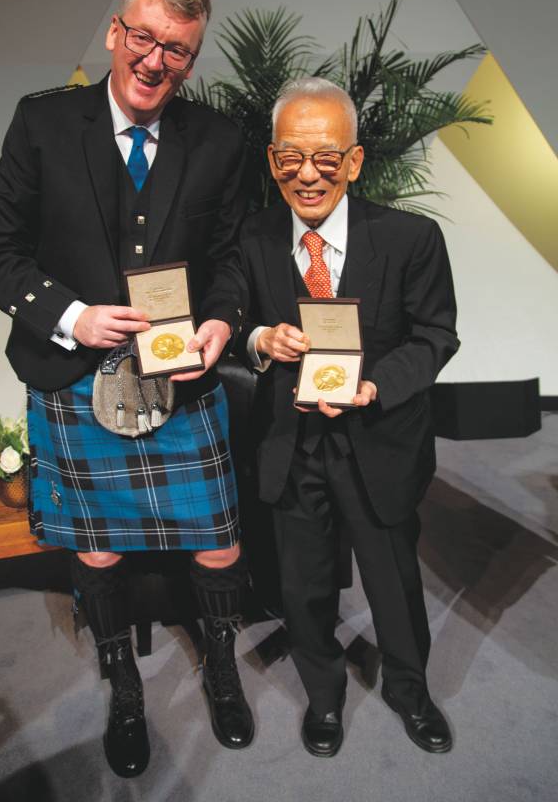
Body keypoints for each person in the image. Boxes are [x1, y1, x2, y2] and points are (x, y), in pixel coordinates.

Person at [0, 0, 254, 778]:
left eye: (177, 49)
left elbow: (234, 258)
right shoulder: (43, 124)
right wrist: (72, 317)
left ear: (192, 59)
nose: (155, 61)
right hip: (72, 378)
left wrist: (222, 320)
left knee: (217, 541)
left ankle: (222, 666)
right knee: (97, 550)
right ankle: (124, 683)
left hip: (182, 381)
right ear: (115, 32)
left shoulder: (220, 140)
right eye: (143, 38)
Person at [236, 77, 459, 758]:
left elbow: (435, 336)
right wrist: (260, 339)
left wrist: (374, 386)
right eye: (291, 157)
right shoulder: (252, 237)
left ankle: (410, 691)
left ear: (354, 161)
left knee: (393, 581)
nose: (307, 175)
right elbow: (232, 316)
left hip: (377, 439)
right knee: (303, 585)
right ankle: (324, 698)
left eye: (325, 157)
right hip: (291, 441)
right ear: (273, 159)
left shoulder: (411, 238)